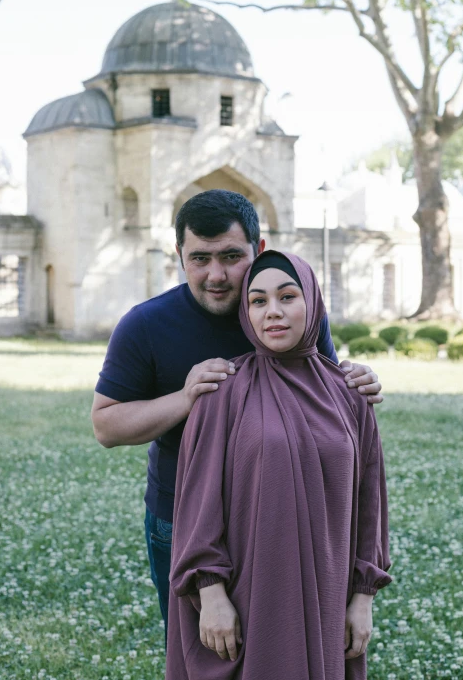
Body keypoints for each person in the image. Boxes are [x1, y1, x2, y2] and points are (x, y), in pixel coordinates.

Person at [91, 190, 384, 650]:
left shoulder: (289, 308)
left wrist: (356, 382)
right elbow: (106, 426)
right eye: (200, 259)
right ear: (179, 255)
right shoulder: (146, 325)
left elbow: (319, 395)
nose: (216, 275)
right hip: (185, 520)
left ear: (258, 250)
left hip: (286, 517)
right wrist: (186, 399)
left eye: (231, 256)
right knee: (209, 654)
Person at [166, 251, 391, 680]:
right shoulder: (223, 390)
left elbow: (369, 505)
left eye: (287, 297)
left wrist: (363, 598)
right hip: (248, 593)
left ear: (313, 301)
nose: (273, 312)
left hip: (329, 590)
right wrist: (211, 595)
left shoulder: (349, 393)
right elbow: (198, 505)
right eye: (257, 301)